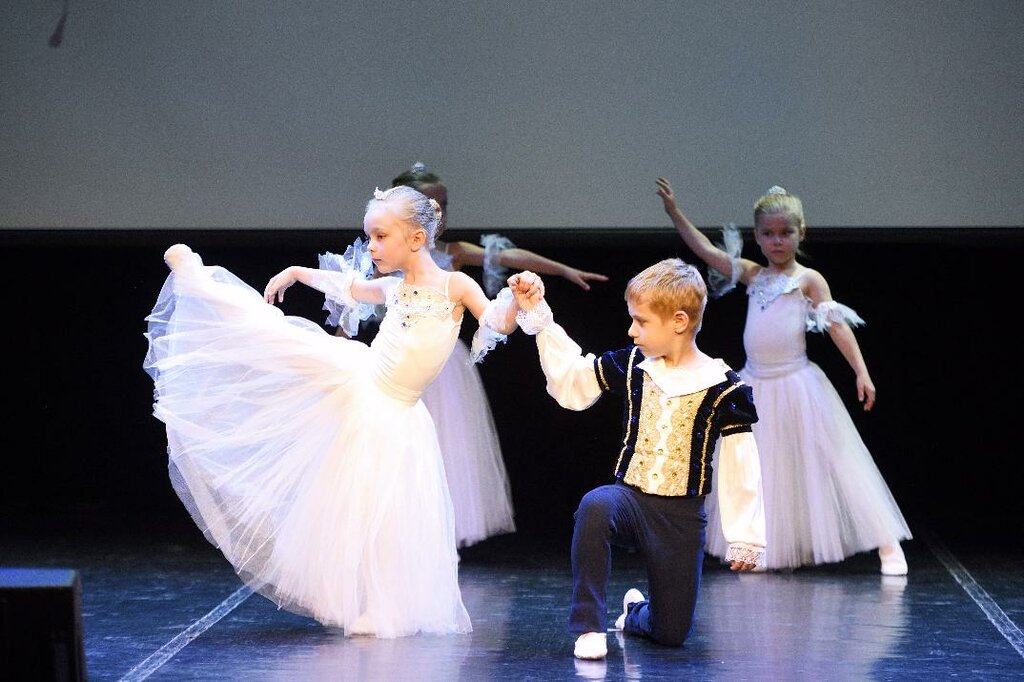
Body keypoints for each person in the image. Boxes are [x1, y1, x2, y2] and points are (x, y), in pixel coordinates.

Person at [143, 185, 538, 638]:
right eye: (369, 237)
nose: (371, 246)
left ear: (415, 239)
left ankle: (378, 605)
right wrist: (296, 271)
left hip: (397, 412)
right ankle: (200, 283)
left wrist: (517, 302)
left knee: (383, 512)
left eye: (380, 237)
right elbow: (347, 286)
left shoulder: (455, 286)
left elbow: (495, 321)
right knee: (280, 341)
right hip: (363, 383)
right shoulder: (393, 287)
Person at [333, 162, 609, 548]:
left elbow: (511, 258)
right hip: (392, 365)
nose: (439, 210)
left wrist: (562, 269)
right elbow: (354, 300)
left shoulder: (453, 254)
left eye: (444, 204)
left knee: (446, 445)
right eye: (430, 201)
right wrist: (340, 345)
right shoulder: (385, 255)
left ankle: (437, 533)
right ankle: (390, 531)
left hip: (443, 369)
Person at [508, 259, 766, 660]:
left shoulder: (723, 389)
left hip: (681, 517)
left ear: (678, 322)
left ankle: (635, 614)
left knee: (671, 633)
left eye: (641, 322)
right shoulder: (634, 365)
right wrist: (541, 318)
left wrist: (743, 535)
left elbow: (740, 461)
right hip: (629, 501)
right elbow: (575, 378)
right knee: (595, 505)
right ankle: (589, 626)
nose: (631, 330)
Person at [655, 177, 911, 575]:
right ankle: (761, 547)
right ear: (757, 237)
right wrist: (675, 212)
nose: (777, 241)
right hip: (756, 386)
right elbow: (705, 250)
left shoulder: (808, 280)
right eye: (769, 234)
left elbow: (837, 328)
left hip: (798, 384)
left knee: (839, 461)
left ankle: (888, 545)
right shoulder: (752, 274)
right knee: (755, 470)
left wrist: (862, 371)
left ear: (801, 233)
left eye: (785, 233)